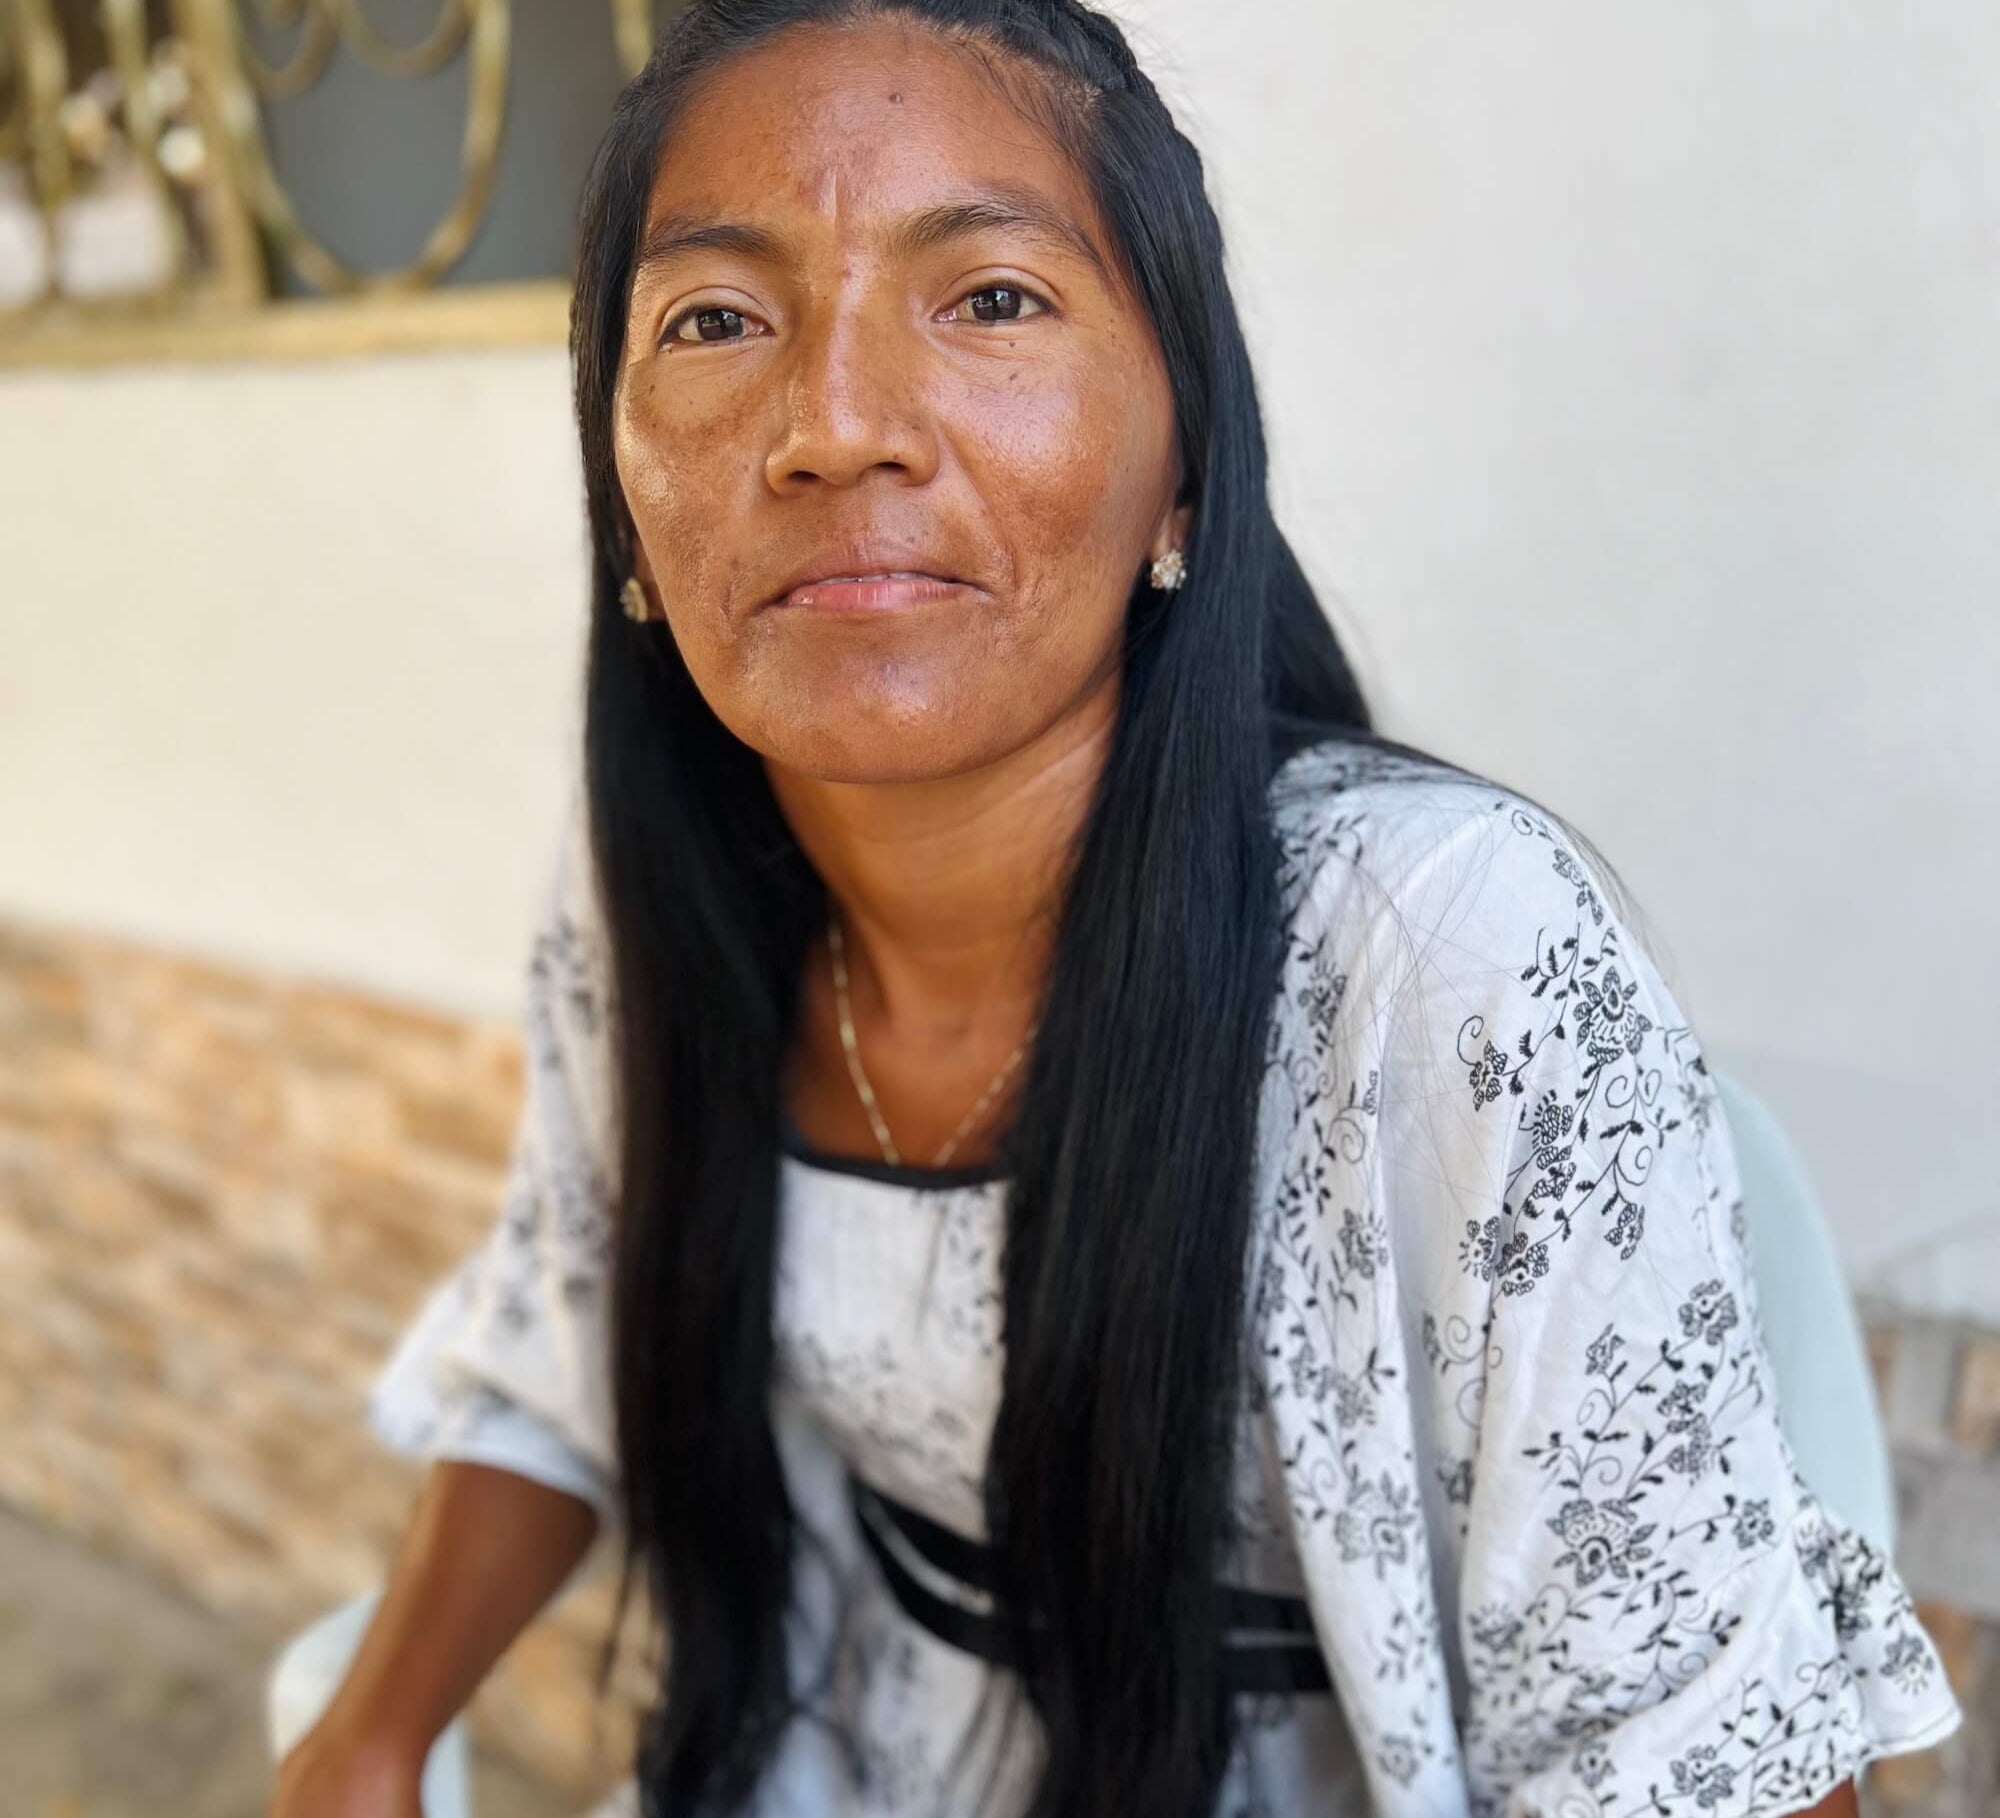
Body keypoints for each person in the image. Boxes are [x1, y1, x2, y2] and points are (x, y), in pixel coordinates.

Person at [270, 2, 1962, 1813]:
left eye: (991, 297)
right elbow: (564, 1321)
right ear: (623, 501)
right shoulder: (660, 895)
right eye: (715, 320)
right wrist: (370, 1732)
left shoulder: (1445, 962)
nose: (834, 426)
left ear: (1184, 467)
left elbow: (1697, 1762)